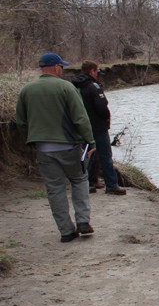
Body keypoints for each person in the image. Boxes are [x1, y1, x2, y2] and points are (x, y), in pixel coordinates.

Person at [15, 52, 96, 242]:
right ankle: (83, 220)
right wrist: (90, 141)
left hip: (43, 149)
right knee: (79, 179)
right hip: (68, 145)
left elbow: (21, 121)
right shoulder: (66, 87)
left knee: (55, 188)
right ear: (56, 67)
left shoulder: (26, 90)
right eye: (62, 67)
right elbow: (80, 118)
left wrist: (32, 139)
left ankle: (66, 231)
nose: (62, 70)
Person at [72, 61, 126, 196]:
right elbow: (102, 107)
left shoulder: (74, 86)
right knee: (105, 156)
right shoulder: (93, 86)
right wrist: (106, 119)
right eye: (97, 71)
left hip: (82, 127)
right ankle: (112, 185)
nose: (98, 75)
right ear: (91, 71)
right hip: (98, 127)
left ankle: (89, 182)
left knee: (87, 155)